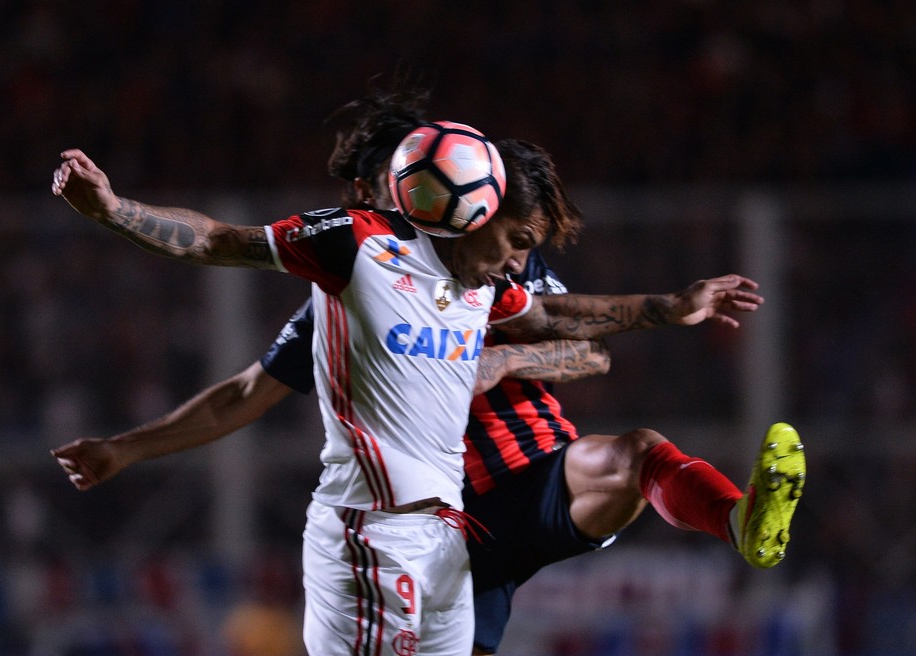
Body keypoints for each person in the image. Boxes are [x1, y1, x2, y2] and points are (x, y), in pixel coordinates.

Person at [51, 89, 804, 655]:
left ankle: (740, 521)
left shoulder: (488, 270)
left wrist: (644, 314)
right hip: (419, 527)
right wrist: (127, 444)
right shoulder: (350, 269)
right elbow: (242, 374)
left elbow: (578, 338)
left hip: (519, 486)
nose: (511, 247)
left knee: (636, 452)